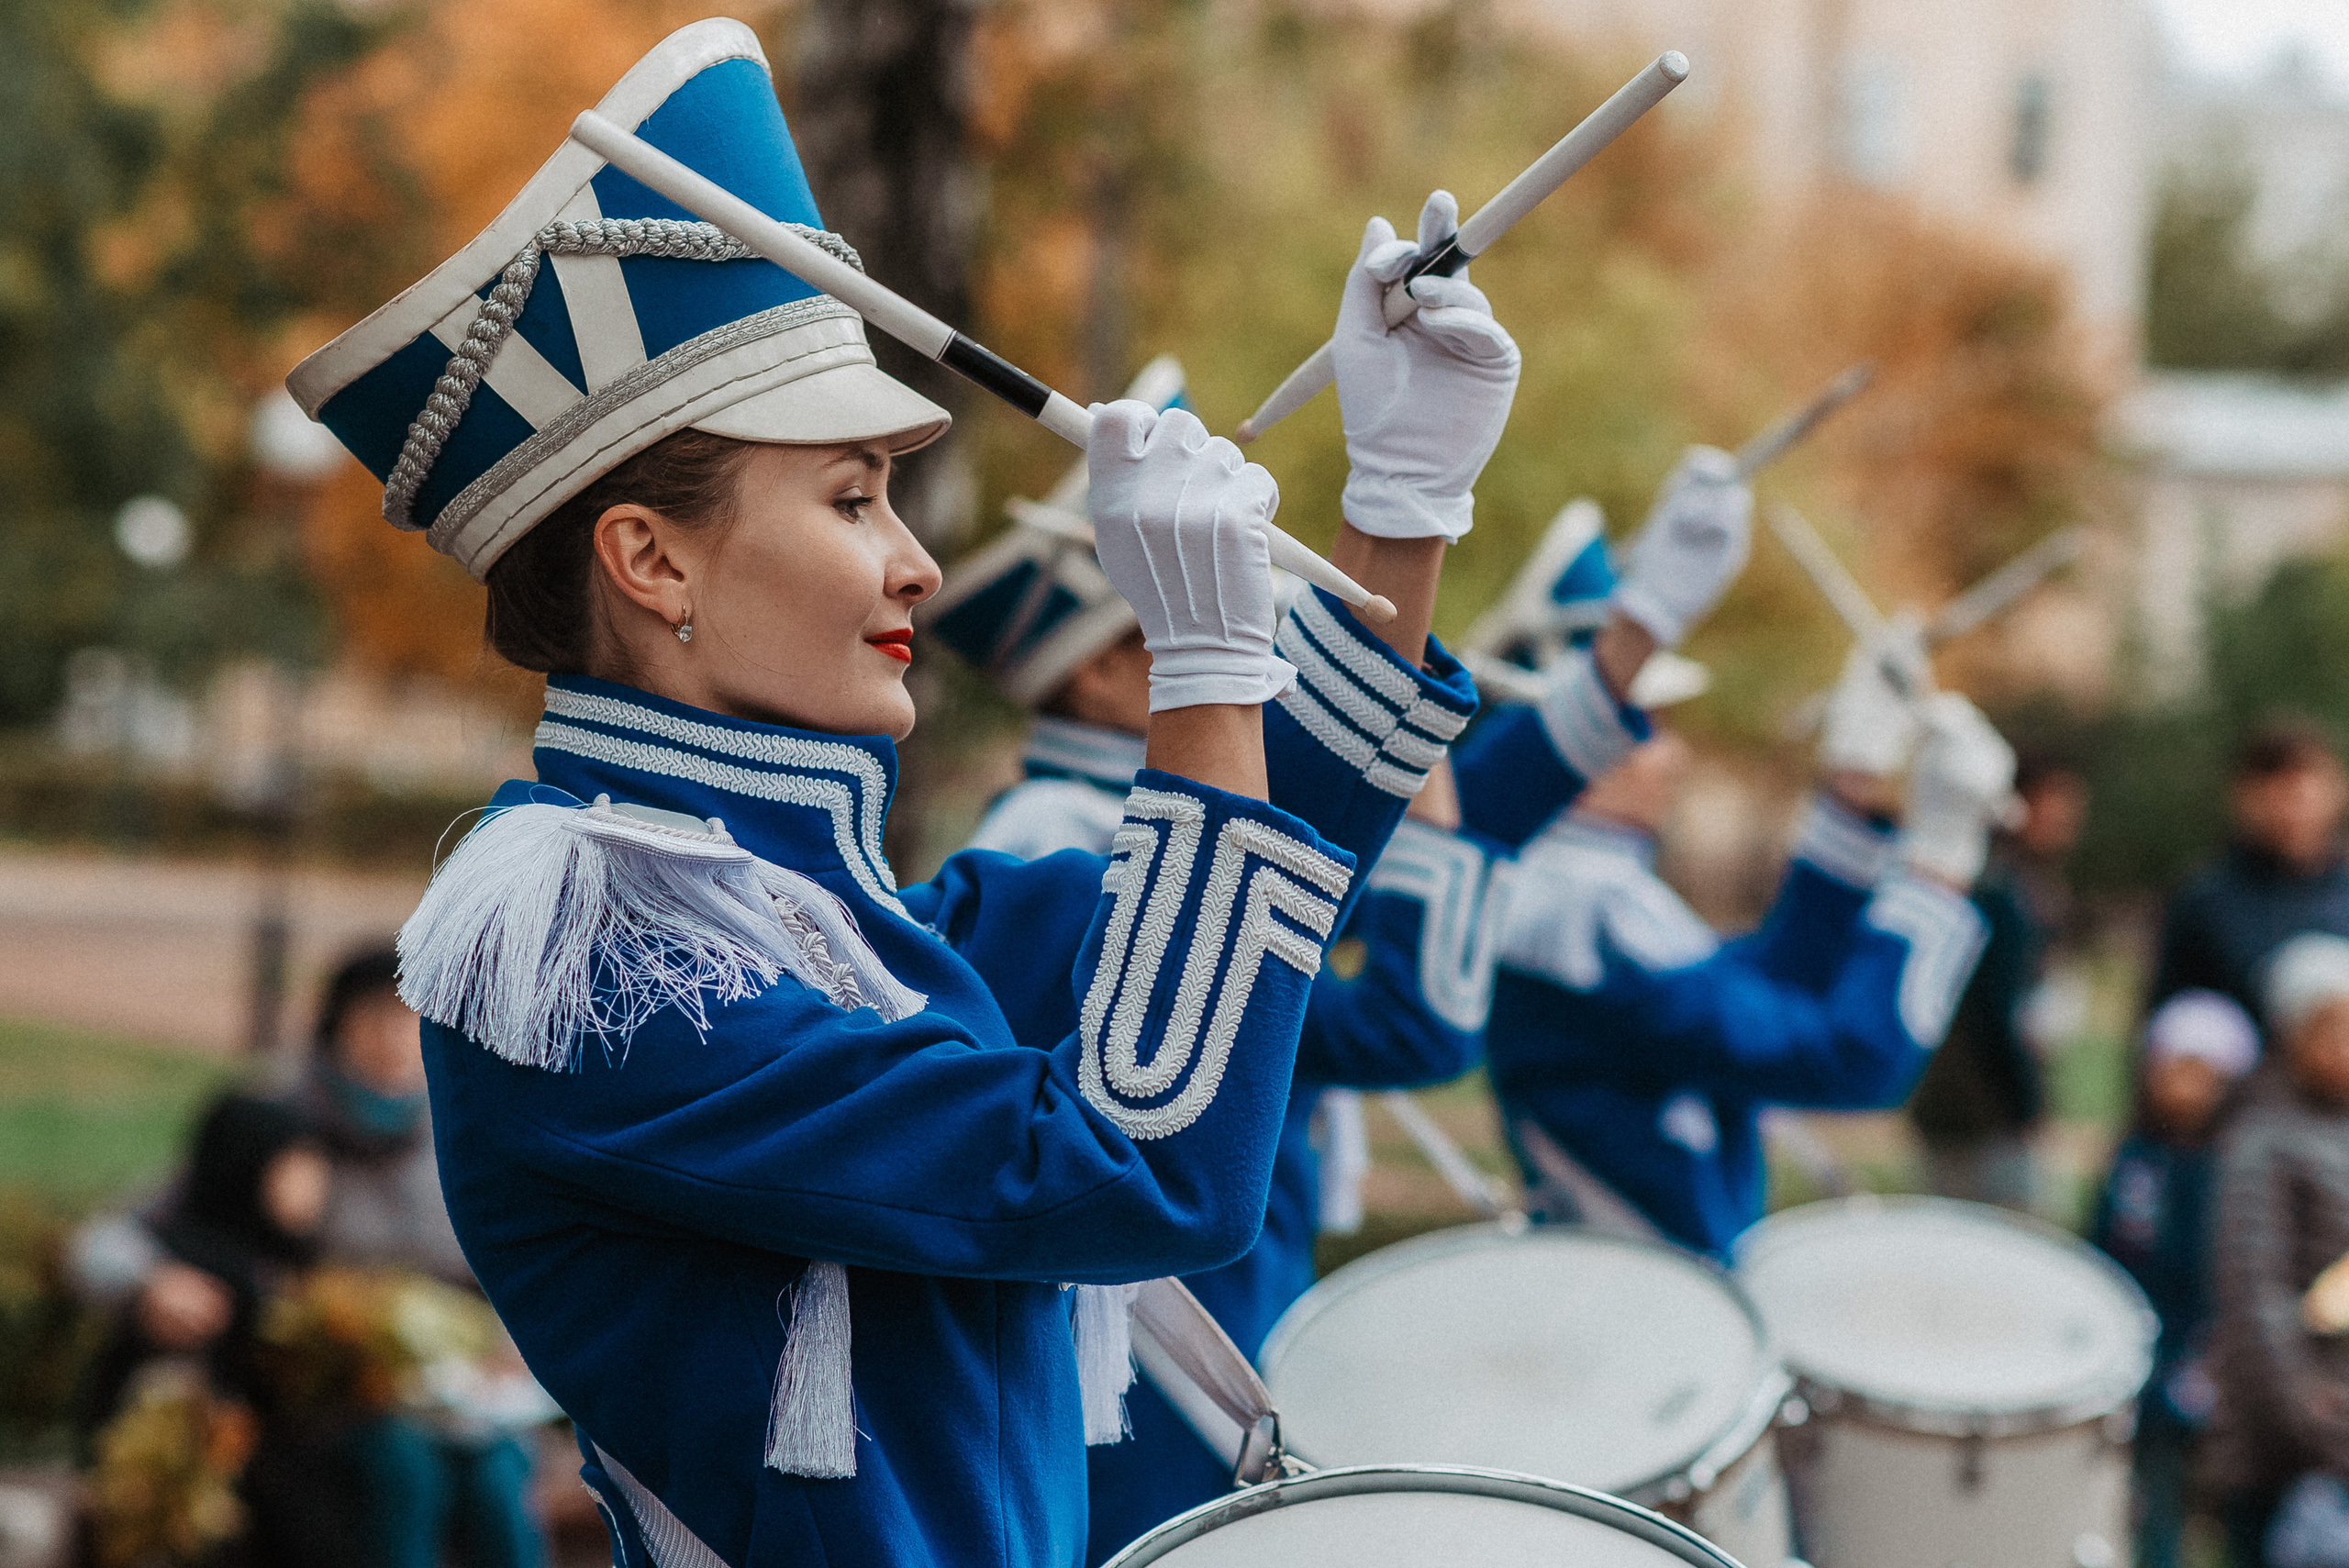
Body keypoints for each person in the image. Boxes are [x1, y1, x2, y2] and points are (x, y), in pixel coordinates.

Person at [286, 23, 1474, 1566]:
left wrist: (1401, 510)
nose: (913, 557)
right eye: (853, 495)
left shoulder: (857, 916)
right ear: (652, 562)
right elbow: (1141, 1166)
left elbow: (1268, 874)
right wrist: (1204, 670)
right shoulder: (599, 950)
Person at [934, 319, 1521, 1558]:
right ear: (1097, 682)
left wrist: (1408, 506)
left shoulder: (1123, 818)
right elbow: (1387, 1017)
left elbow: (1260, 916)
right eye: (1163, 617)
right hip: (1153, 1363)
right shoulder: (1057, 823)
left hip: (1231, 1307)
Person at [1459, 600, 2009, 1256]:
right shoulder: (1582, 910)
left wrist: (1852, 785)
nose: (1676, 754)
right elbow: (1847, 1058)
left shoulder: (1570, 890)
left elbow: (1770, 985)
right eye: (1647, 724)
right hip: (1646, 1296)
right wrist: (1940, 857)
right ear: (1564, 739)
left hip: (1631, 1287)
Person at [71, 950, 546, 1568]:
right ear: (334, 1024)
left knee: (498, 1476)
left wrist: (509, 1345)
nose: (395, 1042)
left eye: (413, 1021)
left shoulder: (457, 1134)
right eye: (376, 1018)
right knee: (405, 1468)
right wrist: (151, 1282)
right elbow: (114, 1236)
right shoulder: (276, 1122)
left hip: (457, 1395)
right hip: (318, 1403)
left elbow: (510, 1274)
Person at [76, 1094, 337, 1564]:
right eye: (294, 1169)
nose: (314, 1187)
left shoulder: (279, 1262)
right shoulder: (201, 1274)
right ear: (247, 1167)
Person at [2094, 989, 2259, 1568]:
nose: (2182, 1088)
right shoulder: (2134, 1157)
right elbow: (2102, 1248)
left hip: (2205, 1356)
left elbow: (2231, 1273)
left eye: (2200, 1074)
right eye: (2171, 1069)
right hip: (2134, 1353)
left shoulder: (2234, 1170)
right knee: (2147, 1494)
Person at [2210, 934, 2349, 1567]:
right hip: (2288, 1444)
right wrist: (2308, 1416)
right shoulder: (2263, 1139)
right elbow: (2254, 1288)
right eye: (2334, 1028)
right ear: (2292, 1033)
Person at [1909, 752, 2090, 1210]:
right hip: (1978, 1111)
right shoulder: (1997, 890)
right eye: (2056, 803)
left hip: (1977, 1108)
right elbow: (1997, 1011)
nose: (2068, 818)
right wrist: (2028, 1104)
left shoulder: (2029, 885)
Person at [2152, 720, 2349, 1037]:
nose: (2291, 810)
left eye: (2302, 792)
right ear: (2243, 797)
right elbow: (2169, 1032)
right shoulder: (2204, 902)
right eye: (2277, 793)